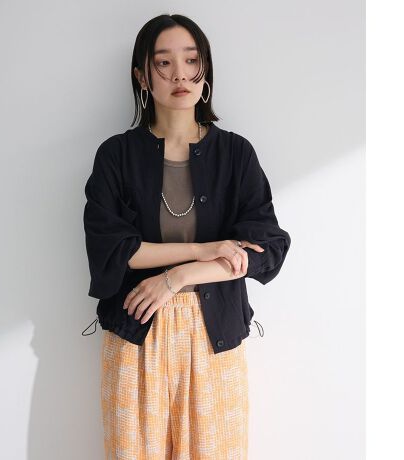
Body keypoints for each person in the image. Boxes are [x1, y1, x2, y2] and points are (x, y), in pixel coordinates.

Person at [83, 13, 291, 459]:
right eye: (163, 62)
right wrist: (205, 249)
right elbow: (112, 249)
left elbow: (267, 249)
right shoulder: (116, 155)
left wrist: (177, 277)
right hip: (137, 334)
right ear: (142, 77)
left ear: (205, 69)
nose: (179, 74)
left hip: (215, 337)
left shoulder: (236, 154)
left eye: (191, 60)